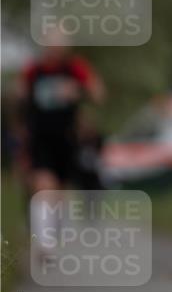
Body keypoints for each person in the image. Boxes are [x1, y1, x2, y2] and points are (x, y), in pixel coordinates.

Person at [13, 29, 106, 247]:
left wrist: (79, 90)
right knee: (44, 185)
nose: (55, 49)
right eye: (51, 45)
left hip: (67, 138)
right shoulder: (33, 71)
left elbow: (99, 94)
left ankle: (53, 231)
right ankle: (45, 244)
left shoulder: (74, 68)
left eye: (60, 45)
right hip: (40, 137)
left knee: (59, 191)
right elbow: (18, 98)